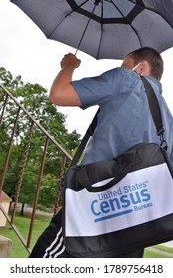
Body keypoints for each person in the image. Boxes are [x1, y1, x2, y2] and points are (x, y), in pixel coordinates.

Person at [30, 47, 173, 258]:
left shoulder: (126, 79)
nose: (121, 69)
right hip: (135, 229)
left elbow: (58, 94)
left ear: (141, 67)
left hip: (93, 211)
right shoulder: (168, 121)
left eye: (125, 65)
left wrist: (69, 65)